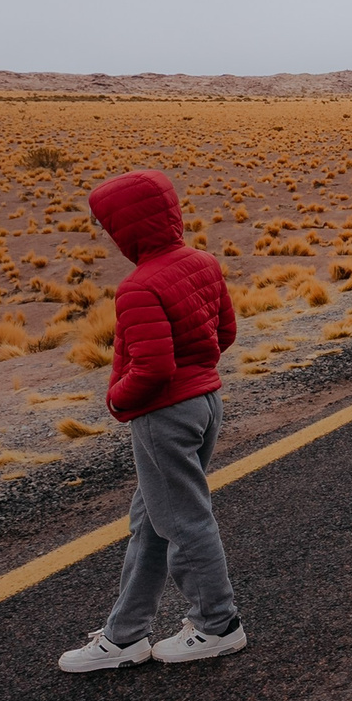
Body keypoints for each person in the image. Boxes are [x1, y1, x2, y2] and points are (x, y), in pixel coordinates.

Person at [58, 170, 246, 672]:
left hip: (164, 414)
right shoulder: (201, 263)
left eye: (108, 226)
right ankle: (126, 636)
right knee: (152, 520)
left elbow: (154, 368)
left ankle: (217, 625)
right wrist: (197, 372)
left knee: (183, 520)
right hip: (205, 403)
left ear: (128, 227)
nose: (106, 236)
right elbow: (224, 331)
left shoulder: (138, 287)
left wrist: (118, 401)